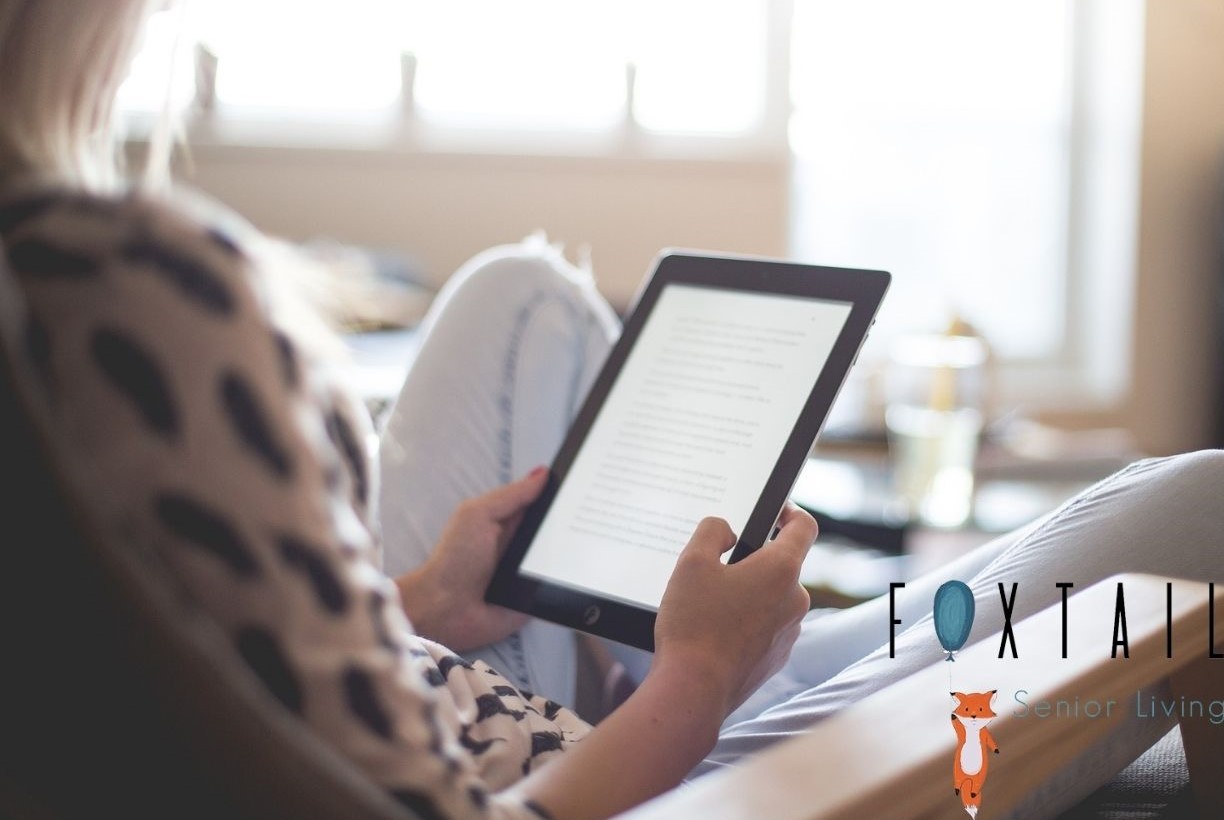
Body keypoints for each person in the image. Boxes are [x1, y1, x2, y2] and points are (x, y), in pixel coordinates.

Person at [0, 2, 1219, 818]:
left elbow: (249, 671)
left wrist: (420, 601)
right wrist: (694, 680)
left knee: (522, 296)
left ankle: (657, 638)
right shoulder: (121, 291)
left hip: (462, 682)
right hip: (620, 783)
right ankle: (691, 655)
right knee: (1202, 502)